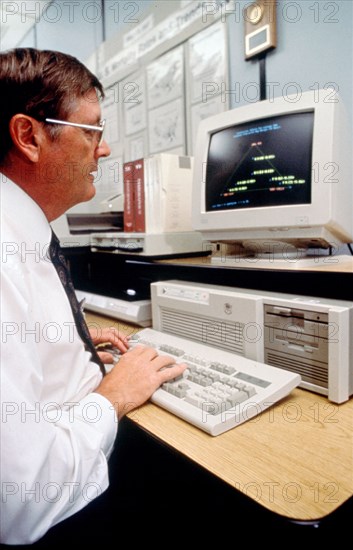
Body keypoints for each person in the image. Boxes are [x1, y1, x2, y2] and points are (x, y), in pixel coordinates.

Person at [0, 48, 187, 546]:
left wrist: (68, 340)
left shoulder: (22, 232)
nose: (103, 150)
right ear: (29, 136)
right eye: (93, 130)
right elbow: (20, 499)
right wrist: (114, 396)